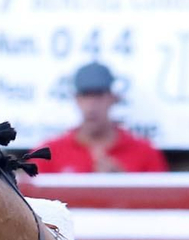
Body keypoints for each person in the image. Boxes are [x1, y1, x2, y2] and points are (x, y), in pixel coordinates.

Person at [37, 60, 167, 174]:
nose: (91, 105)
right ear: (76, 99)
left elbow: (162, 200)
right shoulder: (49, 154)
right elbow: (28, 198)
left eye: (99, 95)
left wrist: (123, 184)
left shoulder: (145, 153)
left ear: (113, 98)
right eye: (85, 95)